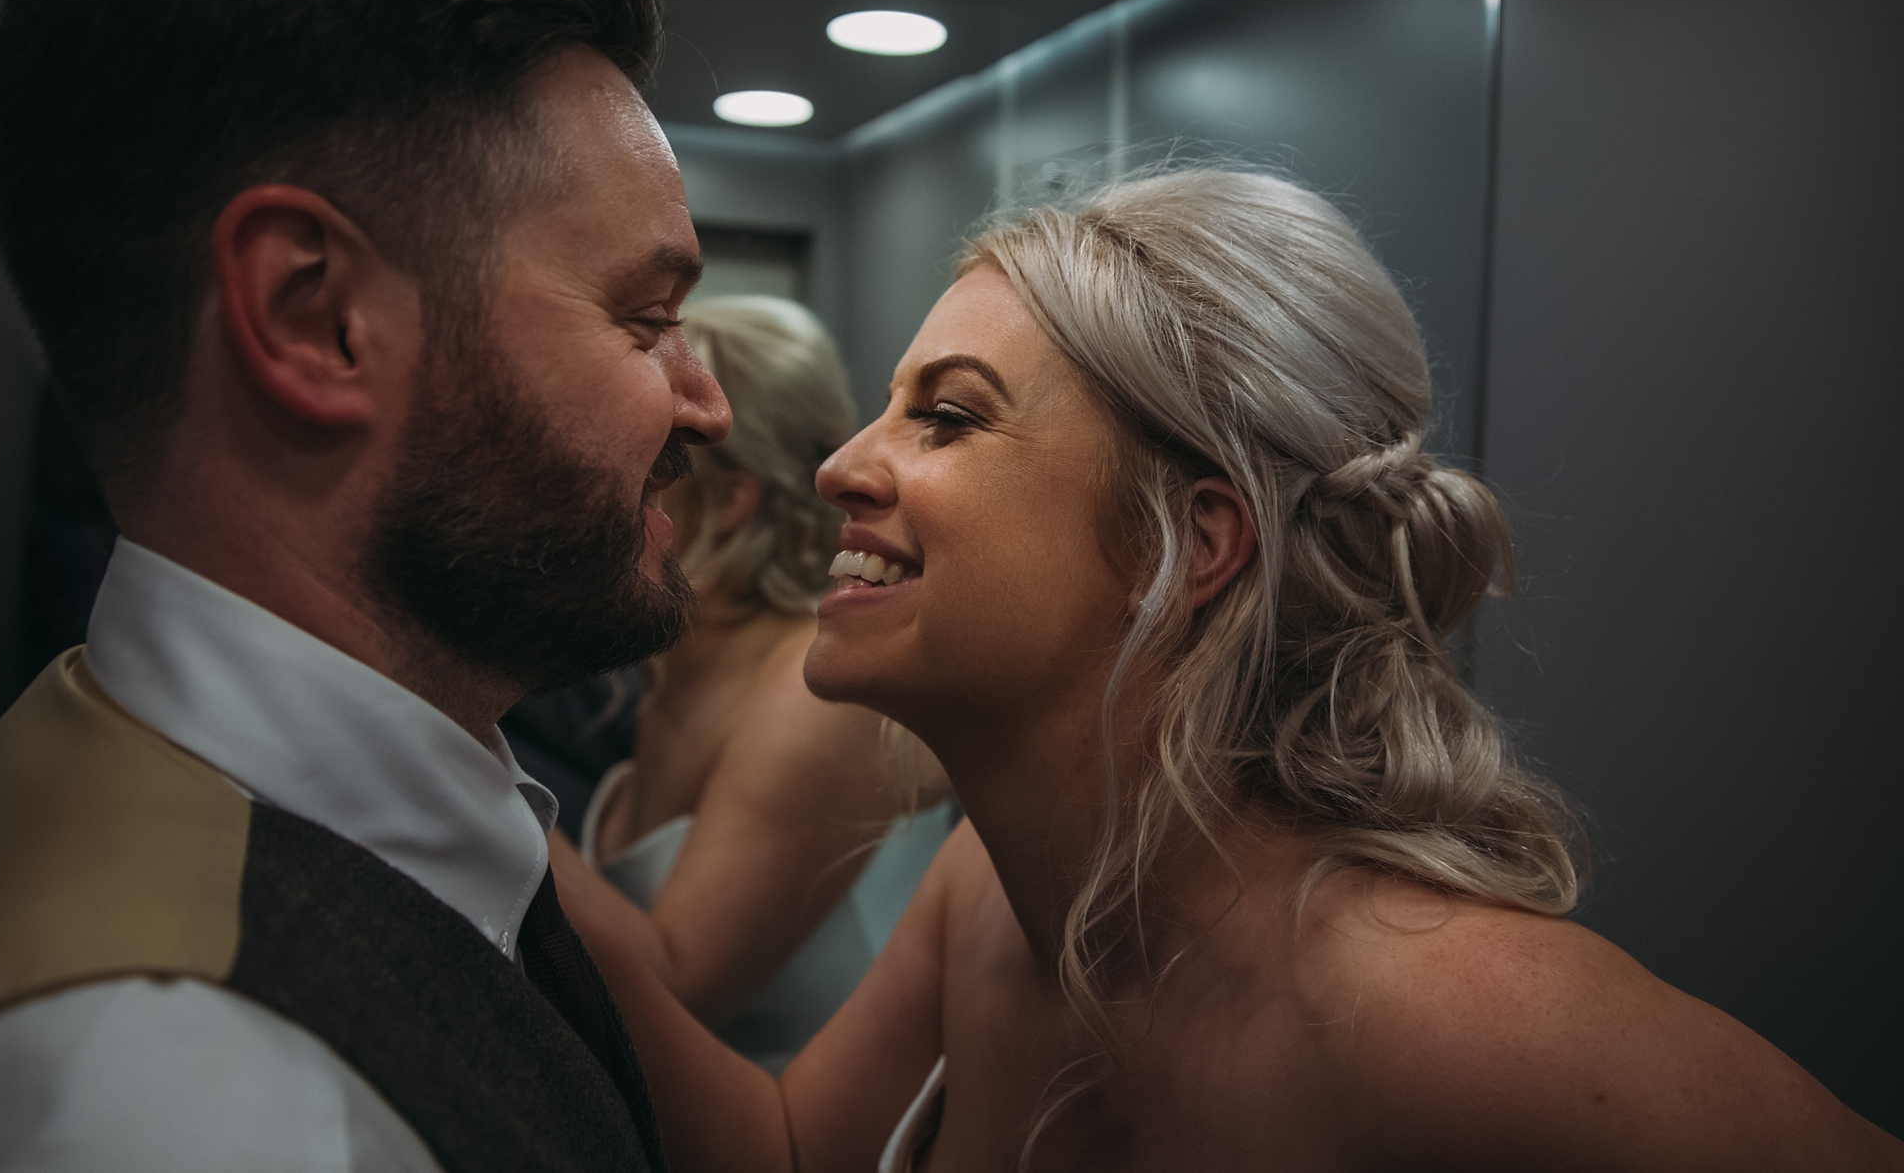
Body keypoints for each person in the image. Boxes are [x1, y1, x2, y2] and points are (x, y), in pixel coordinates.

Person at [555, 169, 1904, 1172]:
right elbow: (790, 1151)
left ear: (1185, 542)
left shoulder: (1447, 1013)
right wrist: (446, 778)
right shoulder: (991, 896)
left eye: (947, 418)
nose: (844, 464)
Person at [0, 0, 729, 1172]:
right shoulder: (189, 1095)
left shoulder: (215, 782)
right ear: (316, 319)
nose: (707, 407)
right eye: (646, 318)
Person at [549, 295, 954, 1073]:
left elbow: (678, 989)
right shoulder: (662, 676)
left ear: (732, 502)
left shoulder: (821, 692)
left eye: (646, 448)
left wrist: (458, 746)